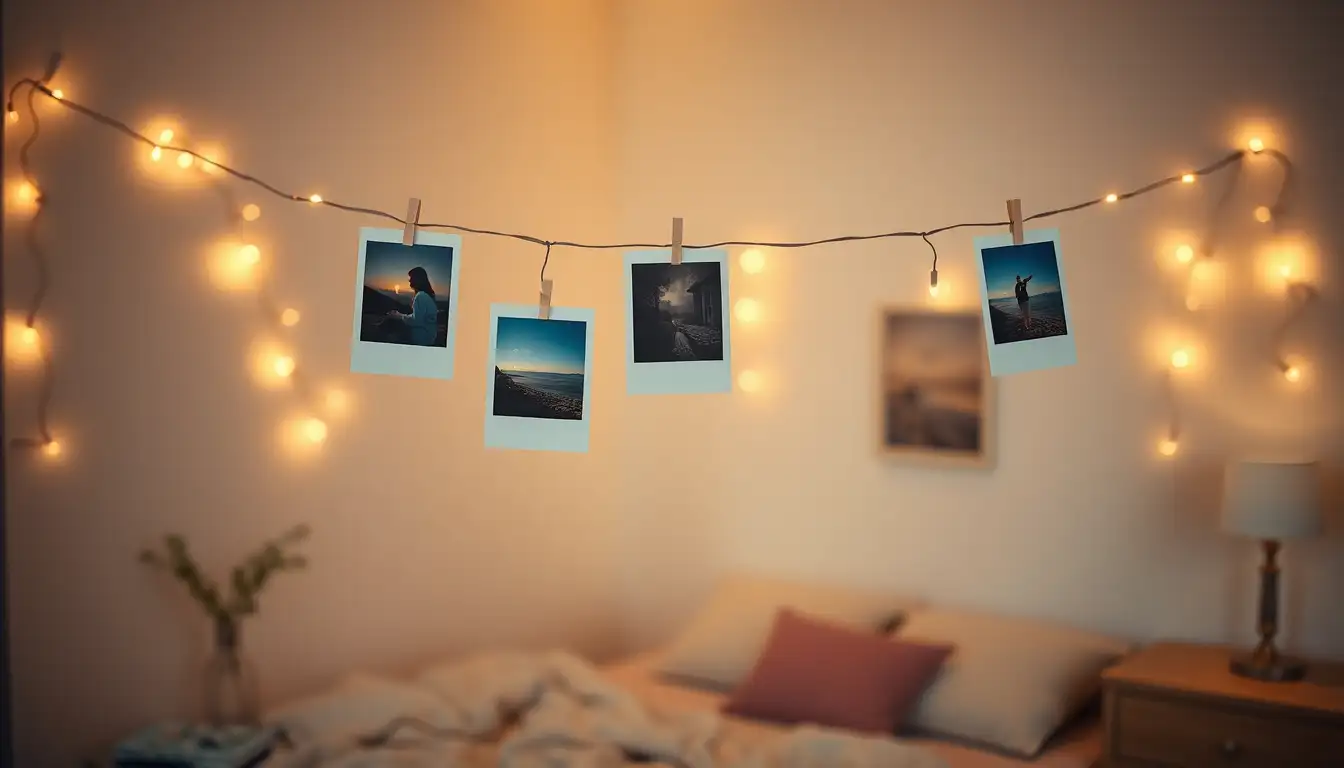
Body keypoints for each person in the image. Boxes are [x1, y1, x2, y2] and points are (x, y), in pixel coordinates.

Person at [386, 266, 439, 345]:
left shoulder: (421, 296)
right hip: (428, 337)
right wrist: (399, 315)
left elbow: (416, 320)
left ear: (418, 279)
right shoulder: (427, 295)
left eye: (411, 278)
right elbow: (420, 317)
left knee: (393, 322)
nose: (409, 281)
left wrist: (398, 316)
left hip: (421, 339)